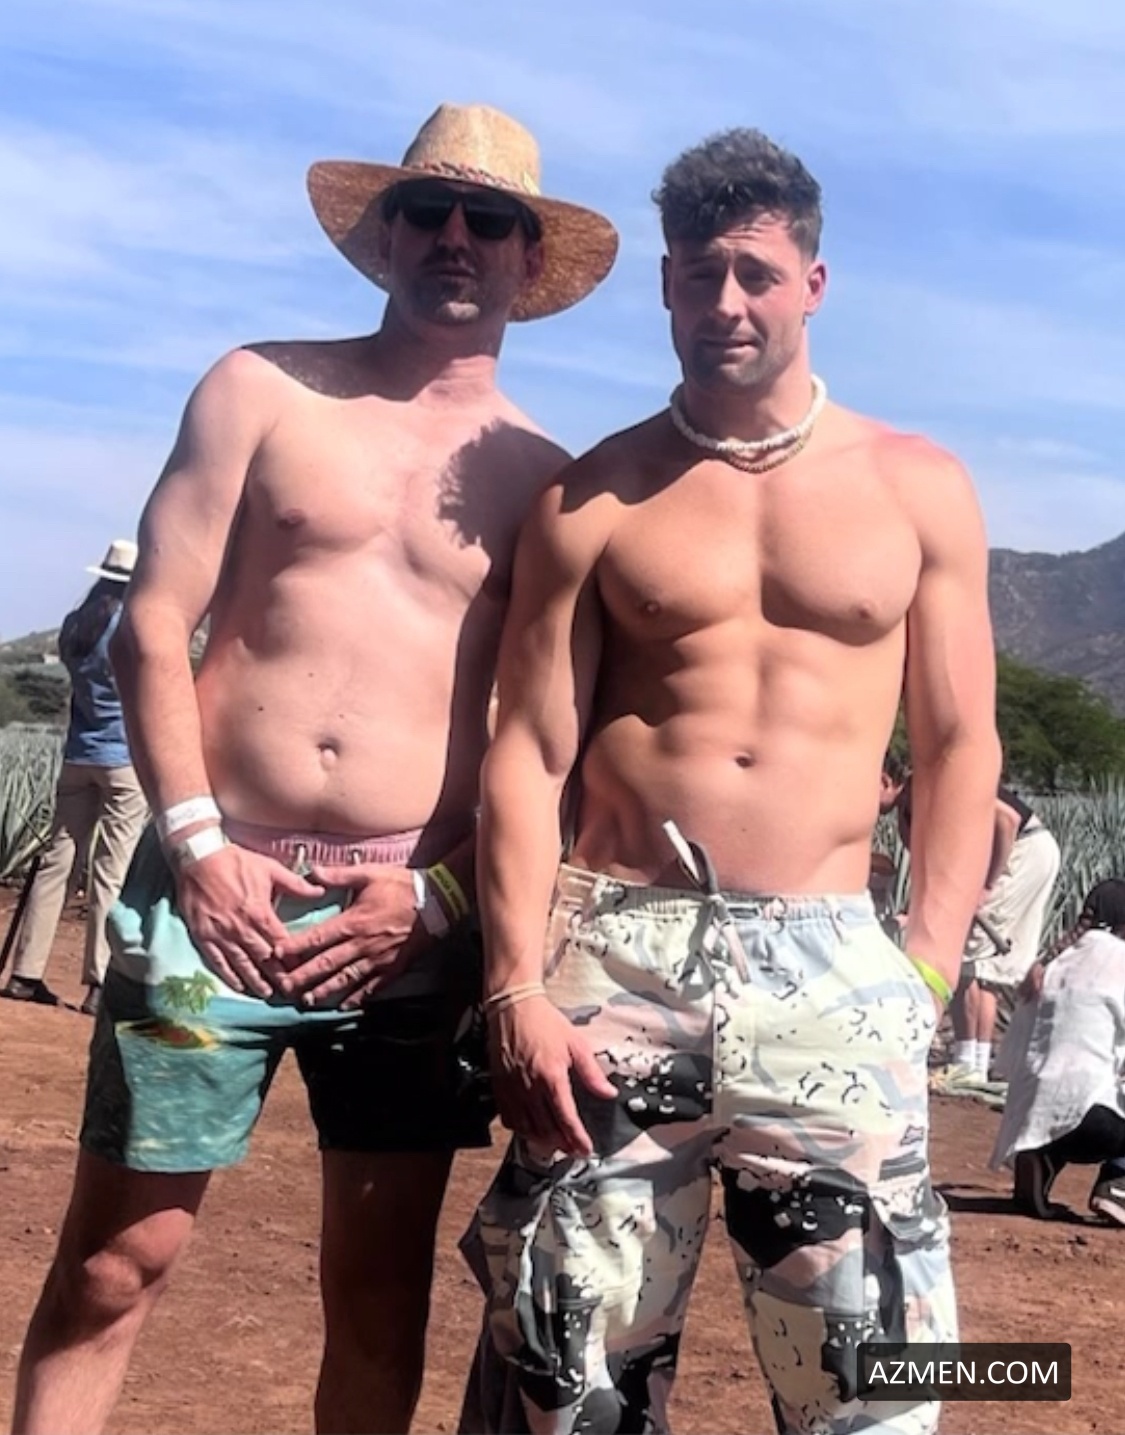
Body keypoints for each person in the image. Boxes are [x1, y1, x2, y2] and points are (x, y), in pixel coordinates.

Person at [11, 103, 617, 1435]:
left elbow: (543, 736)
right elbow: (152, 622)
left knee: (380, 1292)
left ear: (527, 259)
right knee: (116, 1263)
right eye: (427, 210)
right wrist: (197, 844)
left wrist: (440, 902)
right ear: (383, 234)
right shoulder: (259, 389)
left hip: (402, 931)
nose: (454, 237)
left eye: (489, 220)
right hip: (212, 890)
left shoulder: (546, 481)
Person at [459, 128, 1001, 1435]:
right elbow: (527, 749)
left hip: (832, 964)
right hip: (617, 958)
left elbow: (959, 744)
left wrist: (926, 969)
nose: (726, 303)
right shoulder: (594, 495)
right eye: (699, 274)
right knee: (572, 1366)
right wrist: (516, 984)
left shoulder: (916, 487)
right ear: (665, 284)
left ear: (812, 283)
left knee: (869, 1385)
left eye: (755, 273)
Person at [1, 541, 148, 1017]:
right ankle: (99, 983)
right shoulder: (133, 625)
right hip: (123, 760)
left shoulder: (74, 627)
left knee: (56, 864)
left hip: (78, 755)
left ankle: (25, 973)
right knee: (111, 869)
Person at [890, 775, 1060, 1083]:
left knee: (968, 956)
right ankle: (973, 1063)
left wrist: (987, 886)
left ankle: (968, 1063)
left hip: (1020, 851)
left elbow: (1006, 820)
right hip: (1028, 850)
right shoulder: (910, 806)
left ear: (887, 780)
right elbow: (929, 859)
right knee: (981, 964)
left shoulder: (932, 784)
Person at [991, 879, 1125, 1225]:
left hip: (1030, 1115)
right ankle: (1117, 1184)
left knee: (1064, 1091)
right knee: (1094, 1093)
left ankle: (1042, 1157)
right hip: (1092, 1121)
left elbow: (1010, 1057)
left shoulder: (1049, 965)